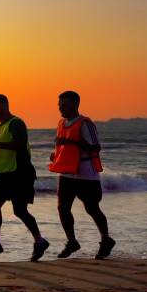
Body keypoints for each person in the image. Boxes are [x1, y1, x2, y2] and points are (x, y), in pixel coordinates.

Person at [0, 94, 49, 262]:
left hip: (20, 174)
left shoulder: (16, 123)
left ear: (4, 105)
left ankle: (40, 241)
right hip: (3, 174)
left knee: (20, 210)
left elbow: (19, 145)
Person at [49, 91, 115, 259]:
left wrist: (72, 143)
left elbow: (96, 148)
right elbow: (62, 145)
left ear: (75, 104)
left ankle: (106, 240)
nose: (60, 107)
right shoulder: (61, 123)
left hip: (86, 175)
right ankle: (72, 242)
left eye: (63, 104)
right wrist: (55, 154)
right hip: (66, 174)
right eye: (59, 104)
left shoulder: (86, 124)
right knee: (62, 209)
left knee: (92, 208)